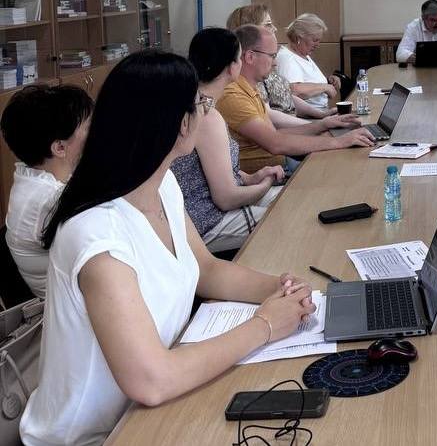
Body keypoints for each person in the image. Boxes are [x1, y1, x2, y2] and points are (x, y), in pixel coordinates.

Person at [20, 51, 316, 446]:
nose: (208, 112)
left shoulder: (161, 186)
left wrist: (279, 288)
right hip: (97, 436)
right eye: (202, 103)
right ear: (180, 124)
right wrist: (265, 325)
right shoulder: (96, 234)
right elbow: (152, 380)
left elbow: (207, 270)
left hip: (152, 410)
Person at [172, 28, 286, 253]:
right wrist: (264, 185)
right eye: (239, 58)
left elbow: (210, 170)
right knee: (285, 218)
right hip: (207, 222)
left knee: (290, 199)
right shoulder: (206, 115)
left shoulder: (197, 102)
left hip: (204, 212)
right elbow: (226, 198)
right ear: (232, 67)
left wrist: (252, 177)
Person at [218, 24, 374, 173]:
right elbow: (275, 143)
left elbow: (275, 134)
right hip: (273, 171)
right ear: (250, 57)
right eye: (272, 56)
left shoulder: (250, 87)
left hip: (281, 163)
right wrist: (339, 141)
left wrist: (323, 124)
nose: (275, 63)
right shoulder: (233, 95)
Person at [0, 85, 92, 296]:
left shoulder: (33, 173)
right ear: (59, 147)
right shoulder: (48, 199)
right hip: (64, 305)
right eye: (89, 127)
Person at [226, 3, 339, 120]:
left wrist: (321, 115)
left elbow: (288, 97)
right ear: (249, 31)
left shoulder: (261, 71)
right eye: (268, 25)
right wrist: (317, 124)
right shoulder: (247, 78)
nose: (275, 29)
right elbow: (270, 116)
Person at [275, 13, 340, 107]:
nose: (317, 45)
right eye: (315, 40)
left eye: (319, 41)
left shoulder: (302, 54)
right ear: (298, 38)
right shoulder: (287, 58)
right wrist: (325, 87)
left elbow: (306, 81)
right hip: (306, 114)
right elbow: (294, 90)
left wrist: (328, 81)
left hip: (319, 111)